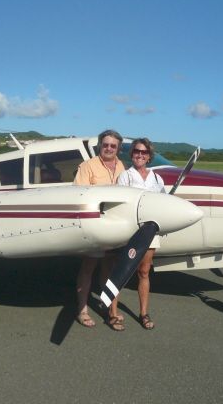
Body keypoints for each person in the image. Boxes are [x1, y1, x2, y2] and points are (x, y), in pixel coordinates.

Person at [73, 129, 125, 329]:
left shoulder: (121, 166)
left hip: (116, 228)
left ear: (118, 148)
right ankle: (82, 310)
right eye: (106, 145)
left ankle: (110, 309)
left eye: (113, 145)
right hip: (96, 227)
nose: (109, 148)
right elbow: (78, 195)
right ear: (100, 146)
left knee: (110, 270)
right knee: (88, 268)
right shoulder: (87, 166)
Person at [116, 138, 165, 330]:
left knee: (144, 271)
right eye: (137, 151)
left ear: (149, 156)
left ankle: (143, 313)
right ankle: (113, 312)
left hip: (150, 231)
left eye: (144, 152)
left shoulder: (156, 178)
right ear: (132, 153)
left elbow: (163, 203)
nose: (140, 155)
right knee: (122, 271)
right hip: (130, 232)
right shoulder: (125, 177)